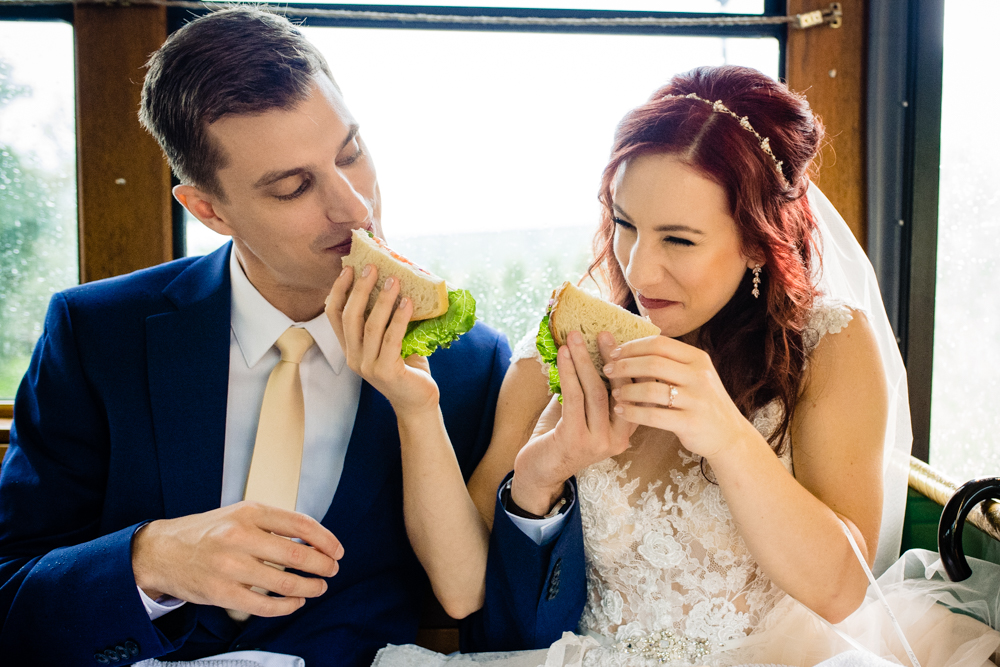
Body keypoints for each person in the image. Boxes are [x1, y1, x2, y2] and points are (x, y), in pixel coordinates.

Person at [0, 8, 584, 665]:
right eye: (293, 186)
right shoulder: (94, 333)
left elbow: (492, 613)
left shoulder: (470, 364)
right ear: (208, 210)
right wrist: (154, 558)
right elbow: (9, 595)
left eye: (351, 153)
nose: (354, 207)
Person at [370, 65, 1000, 667]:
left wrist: (726, 435)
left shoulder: (828, 348)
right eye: (624, 224)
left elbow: (841, 592)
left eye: (678, 239)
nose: (640, 271)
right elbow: (460, 590)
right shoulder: (559, 357)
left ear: (758, 239)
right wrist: (415, 404)